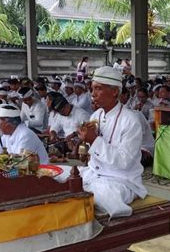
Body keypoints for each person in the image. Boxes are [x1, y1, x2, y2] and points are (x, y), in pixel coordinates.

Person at [56, 66, 147, 218]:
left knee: (98, 197)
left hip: (119, 180)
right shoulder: (97, 114)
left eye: (98, 89)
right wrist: (83, 144)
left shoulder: (131, 120)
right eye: (92, 89)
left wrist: (94, 140)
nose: (92, 94)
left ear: (114, 92)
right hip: (94, 172)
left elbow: (124, 162)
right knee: (56, 173)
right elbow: (88, 152)